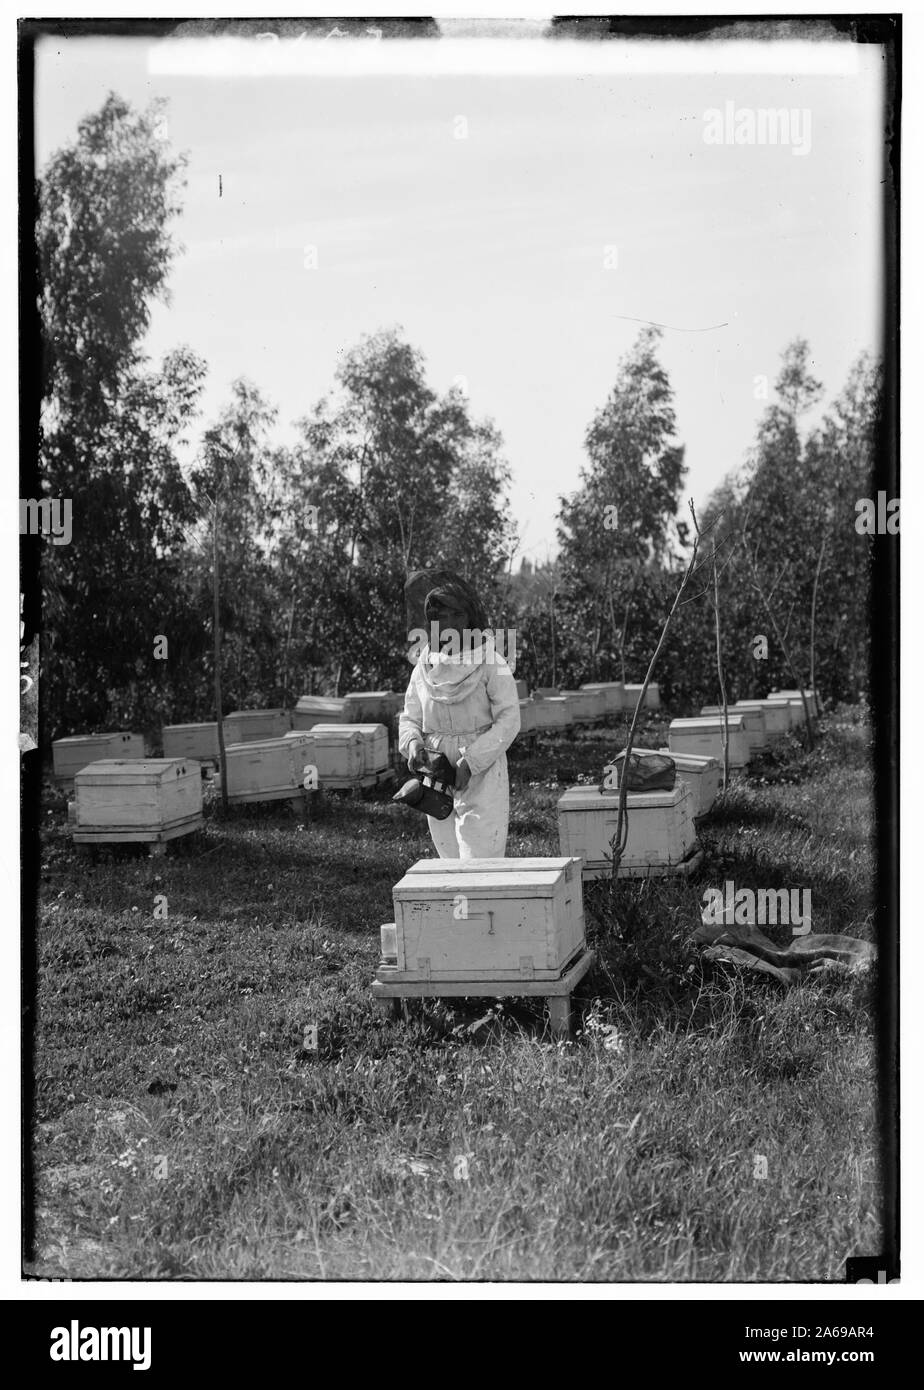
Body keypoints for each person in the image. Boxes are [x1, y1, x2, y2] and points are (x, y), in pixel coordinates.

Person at [398, 571, 520, 859]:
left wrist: (471, 762)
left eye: (457, 615)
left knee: (480, 862)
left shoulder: (493, 662)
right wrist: (413, 745)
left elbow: (509, 720)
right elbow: (410, 718)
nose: (449, 624)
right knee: (449, 863)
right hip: (436, 772)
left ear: (471, 619)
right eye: (441, 616)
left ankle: (485, 905)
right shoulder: (423, 667)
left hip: (481, 770)